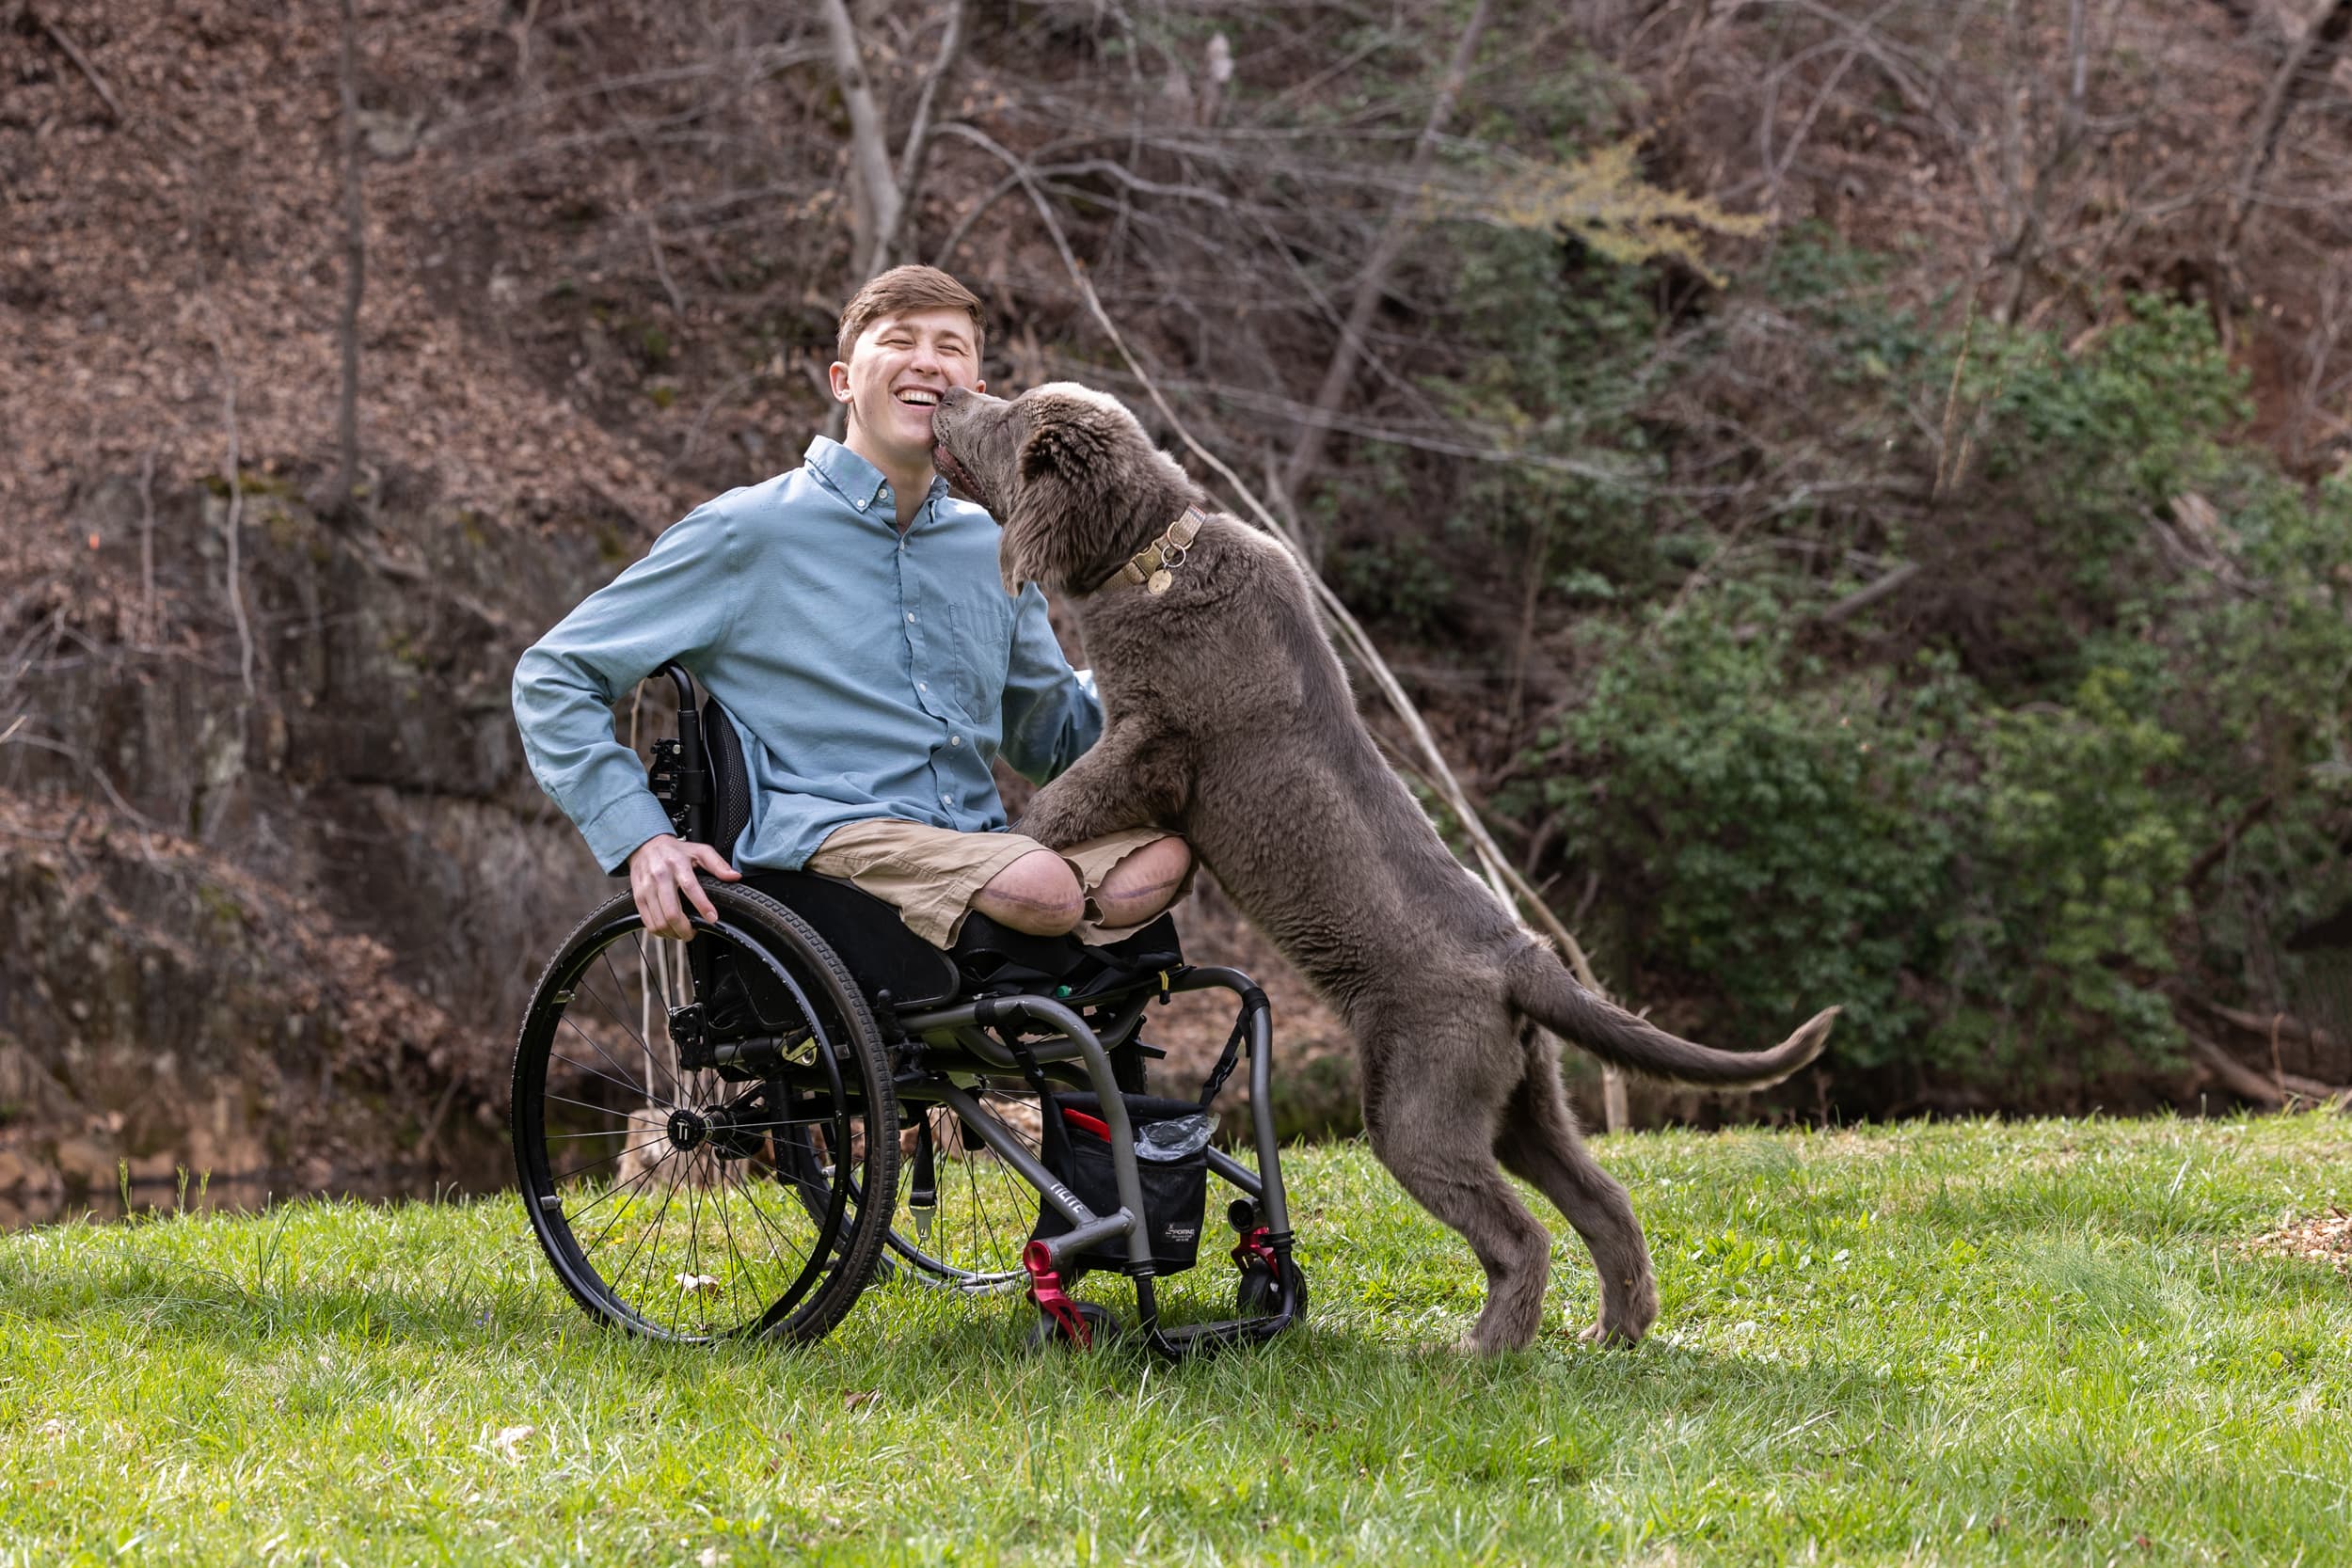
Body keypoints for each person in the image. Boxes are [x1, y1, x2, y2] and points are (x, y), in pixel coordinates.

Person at [512, 265, 1192, 947]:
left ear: (977, 397)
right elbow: (554, 674)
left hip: (980, 853)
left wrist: (1175, 674)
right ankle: (1040, 918)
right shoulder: (745, 532)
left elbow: (1057, 734)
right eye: (900, 339)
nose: (927, 361)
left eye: (950, 347)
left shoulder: (991, 545)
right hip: (830, 860)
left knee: (1162, 856)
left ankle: (1033, 945)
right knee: (1043, 884)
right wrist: (641, 837)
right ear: (843, 381)